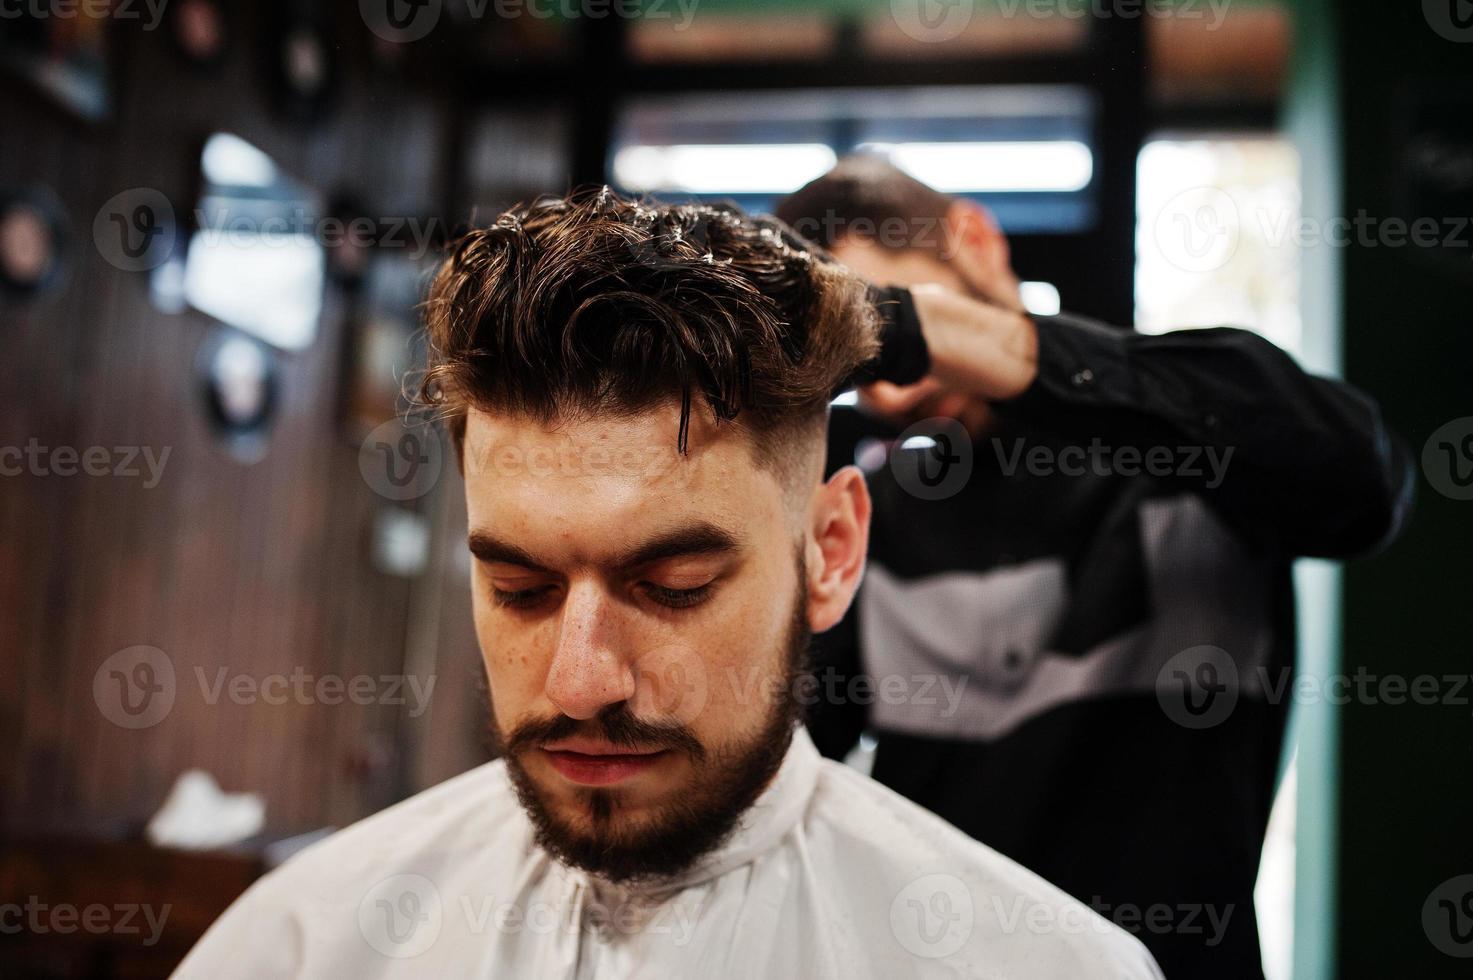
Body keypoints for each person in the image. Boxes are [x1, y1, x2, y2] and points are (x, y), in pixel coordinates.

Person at [172, 188, 1162, 979]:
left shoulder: (1041, 960)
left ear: (831, 552)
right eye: (519, 586)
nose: (579, 680)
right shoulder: (307, 942)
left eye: (674, 582)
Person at [775, 156, 1414, 979]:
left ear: (974, 240)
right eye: (858, 367)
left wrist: (976, 344)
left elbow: (1363, 482)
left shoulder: (1192, 460)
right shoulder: (872, 524)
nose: (888, 396)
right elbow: (784, 782)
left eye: (892, 327)